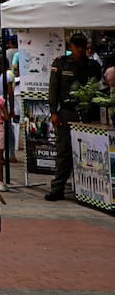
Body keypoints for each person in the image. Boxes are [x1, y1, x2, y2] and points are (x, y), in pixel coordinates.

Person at [45, 32, 104, 201]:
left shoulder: (92, 65)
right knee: (64, 151)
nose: (79, 49)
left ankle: (87, 188)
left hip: (88, 113)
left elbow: (98, 87)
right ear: (71, 46)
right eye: (76, 45)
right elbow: (53, 89)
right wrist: (54, 112)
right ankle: (58, 187)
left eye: (82, 45)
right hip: (67, 112)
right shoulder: (61, 64)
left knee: (88, 152)